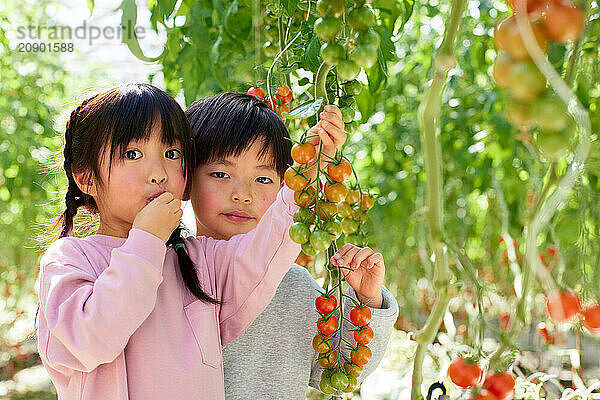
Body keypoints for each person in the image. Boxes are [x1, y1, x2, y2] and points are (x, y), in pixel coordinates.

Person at [35, 83, 346, 400]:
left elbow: (267, 247)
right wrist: (146, 242)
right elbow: (91, 340)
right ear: (86, 176)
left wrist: (308, 171)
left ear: (186, 183)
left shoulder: (202, 263)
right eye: (132, 153)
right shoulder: (68, 261)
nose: (158, 172)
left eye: (171, 154)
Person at [185, 92, 399, 399]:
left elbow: (339, 371)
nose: (242, 194)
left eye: (263, 179)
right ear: (185, 179)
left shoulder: (297, 287)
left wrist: (367, 301)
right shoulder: (172, 273)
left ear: (286, 186)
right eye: (220, 174)